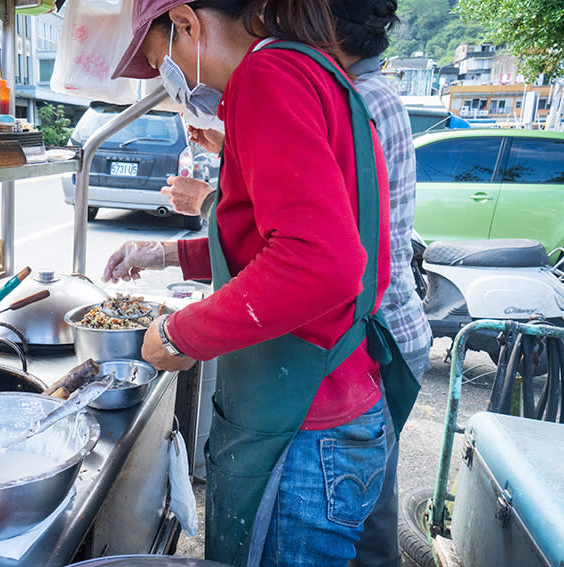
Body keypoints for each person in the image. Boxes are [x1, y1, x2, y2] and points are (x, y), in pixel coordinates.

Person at [104, 1, 420, 566]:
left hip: (304, 425)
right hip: (339, 402)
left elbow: (317, 261)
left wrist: (180, 333)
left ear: (186, 22)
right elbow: (267, 242)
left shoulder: (265, 76)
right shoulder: (313, 70)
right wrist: (165, 253)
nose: (170, 84)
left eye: (163, 62)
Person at [329, 2, 432, 566]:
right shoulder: (374, 94)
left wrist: (209, 203)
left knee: (363, 517)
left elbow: (332, 238)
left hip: (382, 335)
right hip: (395, 325)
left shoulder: (359, 101)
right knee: (369, 503)